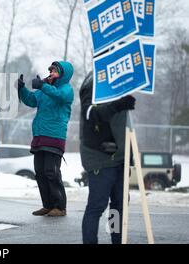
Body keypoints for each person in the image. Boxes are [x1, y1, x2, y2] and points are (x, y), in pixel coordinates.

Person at [79, 72, 136, 244]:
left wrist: (130, 154)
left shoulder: (122, 82)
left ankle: (117, 240)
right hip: (100, 156)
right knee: (97, 206)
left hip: (120, 157)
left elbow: (125, 123)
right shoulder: (93, 81)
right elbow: (89, 113)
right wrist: (117, 105)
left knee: (119, 207)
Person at [17, 61, 74, 217]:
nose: (51, 72)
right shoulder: (45, 89)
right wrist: (22, 89)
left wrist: (42, 86)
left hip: (55, 136)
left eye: (54, 70)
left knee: (51, 171)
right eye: (50, 70)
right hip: (40, 135)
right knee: (40, 172)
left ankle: (60, 206)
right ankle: (48, 205)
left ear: (63, 74)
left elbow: (60, 96)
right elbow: (31, 100)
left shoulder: (66, 89)